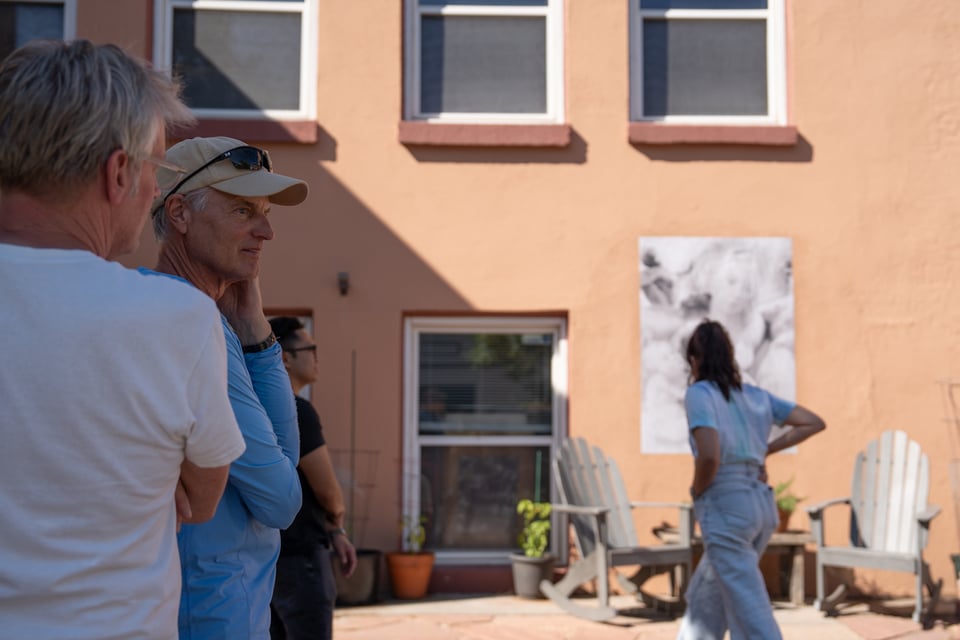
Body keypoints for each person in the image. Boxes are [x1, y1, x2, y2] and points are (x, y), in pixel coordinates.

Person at [0, 41, 245, 639]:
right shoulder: (177, 317)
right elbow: (202, 499)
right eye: (156, 170)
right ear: (117, 173)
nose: (154, 194)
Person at [147, 136, 309, 638]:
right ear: (179, 212)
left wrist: (255, 329)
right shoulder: (188, 320)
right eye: (243, 210)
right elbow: (281, 500)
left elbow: (285, 458)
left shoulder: (200, 316)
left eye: (264, 211)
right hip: (207, 615)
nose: (266, 231)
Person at [677, 320, 826, 640]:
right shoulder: (756, 396)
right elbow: (812, 422)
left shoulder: (699, 394)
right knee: (710, 591)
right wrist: (764, 451)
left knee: (749, 604)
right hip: (761, 506)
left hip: (727, 504)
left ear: (694, 359)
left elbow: (709, 455)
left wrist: (698, 490)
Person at [268, 316, 359, 640]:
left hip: (265, 557)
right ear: (285, 358)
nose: (318, 357)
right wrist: (337, 523)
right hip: (301, 559)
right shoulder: (296, 411)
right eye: (312, 348)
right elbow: (327, 490)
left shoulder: (254, 408)